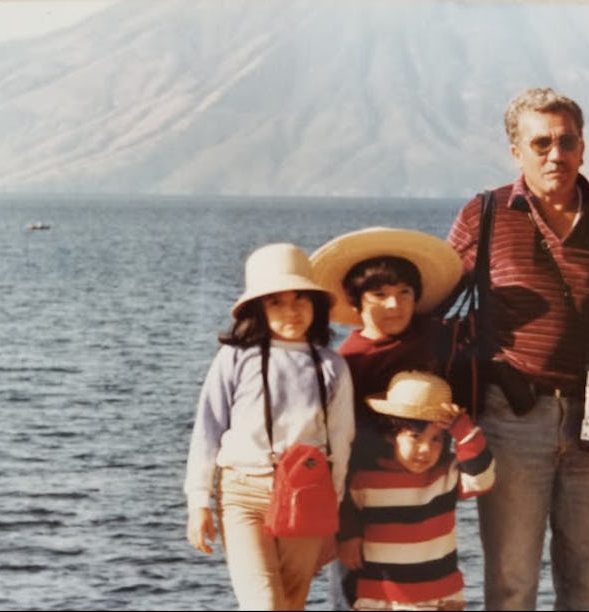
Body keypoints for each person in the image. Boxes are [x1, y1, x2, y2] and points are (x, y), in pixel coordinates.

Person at [445, 86, 589, 610]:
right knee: (512, 585)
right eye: (541, 144)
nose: (555, 154)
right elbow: (434, 297)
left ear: (583, 148)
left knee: (585, 587)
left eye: (567, 141)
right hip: (511, 419)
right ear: (516, 151)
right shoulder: (485, 214)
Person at [183, 242, 355, 611]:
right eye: (276, 301)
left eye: (300, 299)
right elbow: (207, 431)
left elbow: (341, 442)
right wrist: (199, 502)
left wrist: (333, 513)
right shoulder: (234, 357)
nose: (290, 311)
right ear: (258, 309)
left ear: (315, 304)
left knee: (291, 603)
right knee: (264, 604)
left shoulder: (331, 365)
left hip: (307, 493)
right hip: (243, 495)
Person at [310, 227, 465, 609]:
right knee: (357, 596)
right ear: (356, 302)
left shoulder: (433, 342)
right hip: (364, 505)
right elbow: (335, 451)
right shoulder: (348, 364)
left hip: (424, 503)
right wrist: (346, 529)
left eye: (404, 294)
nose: (394, 305)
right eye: (379, 295)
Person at [339, 370, 495, 611]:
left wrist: (462, 429)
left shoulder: (445, 476)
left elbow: (482, 477)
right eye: (415, 437)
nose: (426, 449)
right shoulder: (364, 479)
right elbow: (341, 506)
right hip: (380, 598)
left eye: (437, 439)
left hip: (441, 596)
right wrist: (348, 535)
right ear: (392, 435)